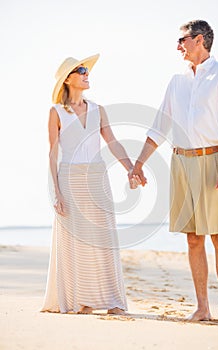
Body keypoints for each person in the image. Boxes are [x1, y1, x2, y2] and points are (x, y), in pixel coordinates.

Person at [130, 20, 218, 324]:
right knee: (193, 238)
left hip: (214, 161)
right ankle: (203, 307)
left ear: (198, 40)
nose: (178, 46)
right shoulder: (177, 81)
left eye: (181, 40)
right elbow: (159, 126)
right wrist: (139, 163)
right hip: (181, 161)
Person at [41, 54, 139, 315]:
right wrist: (56, 192)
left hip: (97, 178)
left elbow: (113, 142)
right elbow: (53, 153)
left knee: (104, 239)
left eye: (87, 70)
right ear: (68, 79)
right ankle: (80, 300)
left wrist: (130, 168)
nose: (87, 74)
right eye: (81, 70)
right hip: (70, 179)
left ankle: (113, 301)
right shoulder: (57, 112)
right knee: (77, 241)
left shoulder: (98, 109)